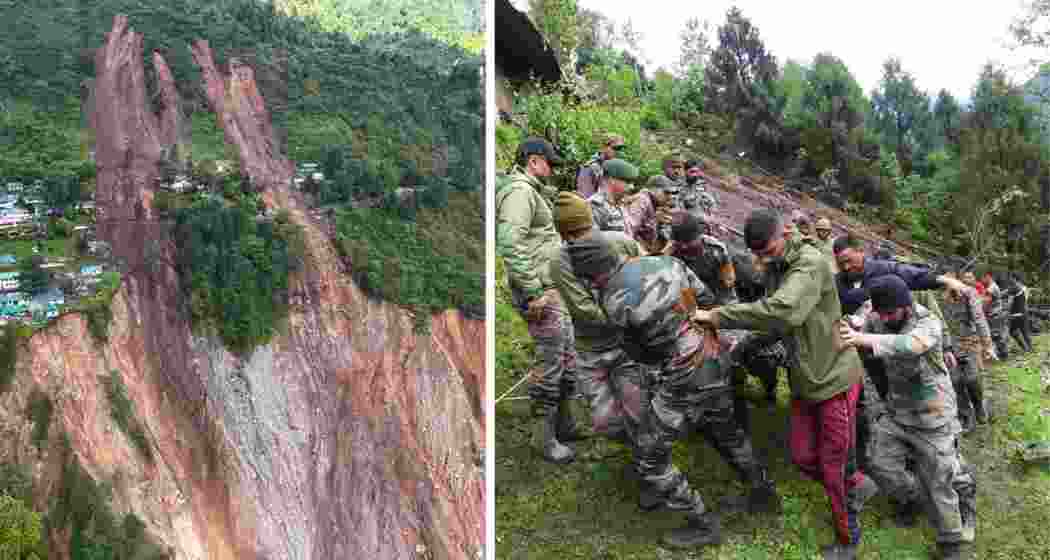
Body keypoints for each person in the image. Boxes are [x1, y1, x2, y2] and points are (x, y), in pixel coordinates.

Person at [567, 235, 780, 549]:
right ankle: (763, 493)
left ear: (589, 275)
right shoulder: (665, 261)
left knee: (649, 457)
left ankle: (703, 524)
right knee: (725, 429)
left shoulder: (613, 300)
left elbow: (642, 353)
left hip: (683, 376)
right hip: (715, 356)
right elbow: (706, 300)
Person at [693, 209, 875, 560]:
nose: (761, 260)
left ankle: (848, 536)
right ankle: (855, 485)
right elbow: (779, 323)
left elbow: (784, 311)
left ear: (786, 232)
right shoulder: (778, 267)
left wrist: (719, 315)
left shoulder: (809, 263)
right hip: (805, 377)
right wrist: (743, 344)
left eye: (766, 251)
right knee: (803, 456)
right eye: (757, 255)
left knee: (832, 464)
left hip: (833, 377)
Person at [839, 276, 977, 560]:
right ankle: (912, 498)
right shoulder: (877, 319)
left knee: (939, 481)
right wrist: (855, 331)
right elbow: (864, 340)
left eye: (891, 313)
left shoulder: (927, 323)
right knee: (880, 463)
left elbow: (910, 345)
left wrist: (865, 338)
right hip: (898, 412)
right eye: (881, 313)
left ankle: (951, 543)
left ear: (906, 305)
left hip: (933, 417)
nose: (885, 318)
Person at [496, 137, 579, 463]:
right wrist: (533, 291)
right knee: (550, 362)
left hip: (552, 288)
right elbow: (510, 242)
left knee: (567, 355)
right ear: (533, 161)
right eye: (549, 163)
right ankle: (543, 439)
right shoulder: (519, 192)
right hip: (541, 293)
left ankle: (565, 424)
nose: (553, 168)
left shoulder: (531, 191)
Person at [551, 191, 647, 455]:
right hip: (592, 351)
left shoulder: (621, 242)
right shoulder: (560, 263)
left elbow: (648, 275)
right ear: (565, 235)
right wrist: (629, 315)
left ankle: (646, 458)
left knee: (640, 412)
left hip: (628, 346)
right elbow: (585, 311)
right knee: (607, 423)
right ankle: (634, 445)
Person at [942, 272, 995, 433]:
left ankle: (979, 405)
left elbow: (979, 319)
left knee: (972, 379)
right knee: (956, 382)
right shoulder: (937, 297)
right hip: (948, 346)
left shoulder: (968, 293)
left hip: (970, 342)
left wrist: (987, 344)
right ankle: (965, 417)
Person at [666, 210, 738, 306]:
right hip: (687, 301)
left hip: (715, 298)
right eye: (679, 241)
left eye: (688, 241)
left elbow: (728, 288)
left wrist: (722, 311)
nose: (684, 246)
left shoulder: (716, 250)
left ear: (698, 235)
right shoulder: (670, 253)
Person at [588, 159, 637, 234]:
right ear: (611, 179)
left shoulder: (620, 205)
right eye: (628, 182)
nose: (631, 187)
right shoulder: (594, 207)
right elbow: (591, 242)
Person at [576, 133, 626, 199]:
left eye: (620, 149)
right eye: (615, 148)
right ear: (604, 147)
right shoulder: (590, 168)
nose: (618, 152)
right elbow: (585, 199)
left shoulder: (613, 169)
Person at [979, 269, 1009, 360]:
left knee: (996, 335)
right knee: (995, 335)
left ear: (988, 276)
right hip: (993, 315)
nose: (981, 281)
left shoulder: (992, 288)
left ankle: (1003, 355)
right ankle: (1000, 354)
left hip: (994, 315)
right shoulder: (991, 287)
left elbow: (985, 302)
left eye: (982, 278)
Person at [1006, 272, 1034, 353]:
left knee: (1014, 331)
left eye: (1010, 277)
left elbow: (1009, 301)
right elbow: (1025, 300)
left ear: (1014, 278)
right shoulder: (1024, 288)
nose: (1009, 279)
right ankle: (1029, 348)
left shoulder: (1014, 287)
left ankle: (1026, 348)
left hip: (1016, 313)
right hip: (1023, 312)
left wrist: (1007, 310)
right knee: (1024, 331)